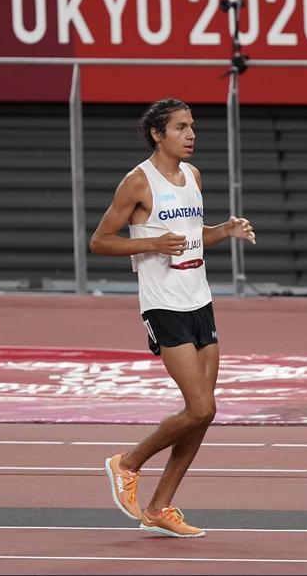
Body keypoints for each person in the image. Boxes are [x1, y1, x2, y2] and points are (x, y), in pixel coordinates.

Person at [90, 97, 256, 538]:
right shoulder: (137, 182)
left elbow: (188, 236)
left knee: (204, 413)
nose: (191, 135)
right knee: (200, 405)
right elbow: (101, 241)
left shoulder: (193, 177)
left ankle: (161, 506)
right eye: (181, 127)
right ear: (157, 134)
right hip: (163, 304)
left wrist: (225, 231)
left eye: (192, 126)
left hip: (200, 299)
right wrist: (150, 245)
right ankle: (126, 463)